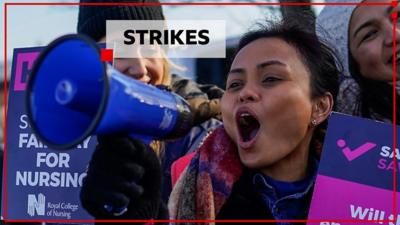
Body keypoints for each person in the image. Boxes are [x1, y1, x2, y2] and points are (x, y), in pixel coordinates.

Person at [80, 19, 341, 222]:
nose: (245, 92)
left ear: (320, 106)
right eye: (235, 83)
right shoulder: (188, 178)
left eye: (271, 78)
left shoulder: (368, 188)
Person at [77, 0, 224, 217]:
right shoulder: (64, 127)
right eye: (119, 49)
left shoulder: (207, 141)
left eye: (148, 47)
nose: (140, 68)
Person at [317, 0, 399, 124]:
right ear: (352, 63)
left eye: (398, 16)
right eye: (370, 34)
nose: (395, 36)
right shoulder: (352, 114)